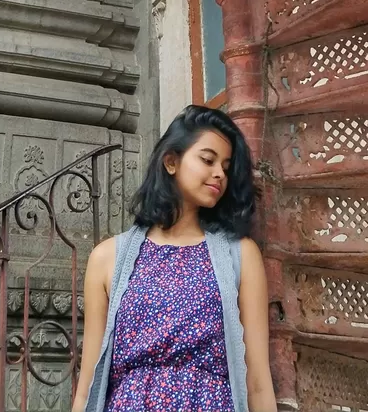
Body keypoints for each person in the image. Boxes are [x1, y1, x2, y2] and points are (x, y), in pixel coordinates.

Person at [72, 104, 278, 412]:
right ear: (171, 161)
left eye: (225, 165)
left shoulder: (240, 255)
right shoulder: (107, 258)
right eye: (208, 160)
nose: (219, 173)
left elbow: (258, 380)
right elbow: (89, 380)